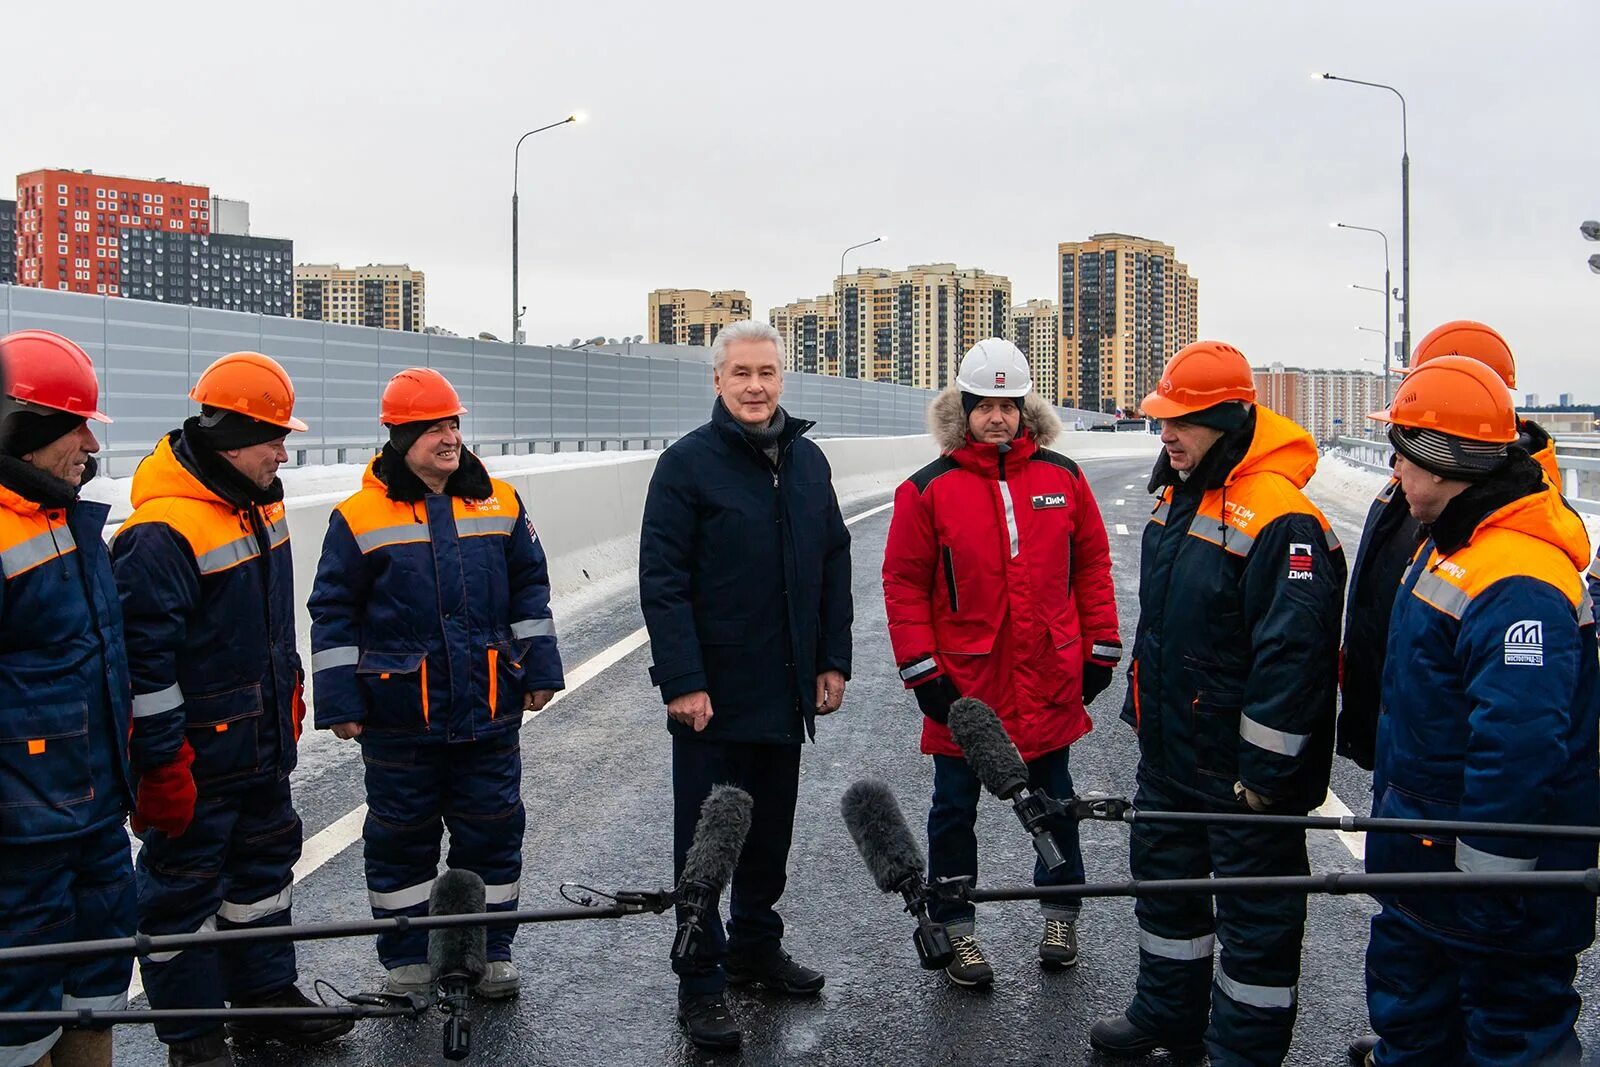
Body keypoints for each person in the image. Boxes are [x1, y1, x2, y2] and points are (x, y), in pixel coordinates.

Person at [1090, 341, 1345, 1065]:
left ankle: (1241, 1051)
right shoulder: (1179, 493)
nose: (1166, 433)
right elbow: (1165, 628)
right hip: (1174, 757)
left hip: (1242, 779)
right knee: (1166, 892)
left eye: (1183, 420)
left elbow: (1293, 661)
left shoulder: (1281, 519)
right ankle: (1170, 1015)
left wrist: (1264, 778)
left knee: (1256, 924)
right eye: (1162, 418)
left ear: (1230, 420)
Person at [1354, 356, 1597, 1066]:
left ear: (1443, 459)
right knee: (1421, 1025)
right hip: (1433, 869)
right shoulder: (1456, 542)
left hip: (1489, 894)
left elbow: (1518, 749)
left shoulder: (1517, 578)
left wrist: (1486, 893)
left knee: (1510, 1036)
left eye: (1402, 454)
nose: (1394, 470)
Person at [112, 352, 346, 1066]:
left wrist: (290, 685)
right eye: (274, 437)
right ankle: (193, 1036)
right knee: (180, 897)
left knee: (263, 878)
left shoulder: (257, 501)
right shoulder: (161, 534)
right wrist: (161, 766)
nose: (285, 450)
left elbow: (269, 625)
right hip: (198, 762)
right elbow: (143, 670)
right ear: (232, 439)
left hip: (258, 748)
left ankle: (266, 1000)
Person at [308, 367, 563, 1000]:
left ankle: (489, 948)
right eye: (432, 428)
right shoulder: (359, 516)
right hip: (400, 716)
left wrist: (540, 667)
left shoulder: (500, 502)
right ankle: (406, 957)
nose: (448, 437)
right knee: (400, 837)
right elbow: (333, 610)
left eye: (453, 424)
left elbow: (531, 587)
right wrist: (340, 698)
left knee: (493, 827)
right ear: (399, 437)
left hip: (489, 705)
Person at [639, 319, 851, 1052]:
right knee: (706, 842)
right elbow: (662, 583)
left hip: (784, 686)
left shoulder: (808, 463)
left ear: (781, 378)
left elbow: (832, 566)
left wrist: (832, 659)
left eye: (767, 372)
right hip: (710, 695)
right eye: (742, 374)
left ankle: (756, 945)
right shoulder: (686, 466)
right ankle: (700, 980)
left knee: (769, 832)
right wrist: (683, 680)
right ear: (718, 381)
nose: (756, 386)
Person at [882, 338, 1119, 987]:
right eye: (984, 405)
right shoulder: (927, 490)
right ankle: (958, 930)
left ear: (1024, 408)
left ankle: (1061, 912)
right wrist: (923, 671)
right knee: (954, 809)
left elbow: (1094, 564)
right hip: (967, 687)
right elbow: (903, 583)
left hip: (1047, 680)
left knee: (1056, 803)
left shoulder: (1063, 477)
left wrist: (1100, 646)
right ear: (964, 408)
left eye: (1008, 405)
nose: (997, 417)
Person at [1338, 320, 1557, 771]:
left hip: (1437, 764)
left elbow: (1517, 731)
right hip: (1401, 732)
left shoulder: (1508, 515)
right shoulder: (1410, 486)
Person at [0, 331, 134, 1067]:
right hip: (22, 837)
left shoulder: (70, 523)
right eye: (74, 423)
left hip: (93, 813)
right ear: (26, 426)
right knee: (18, 1012)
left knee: (97, 986)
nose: (89, 441)